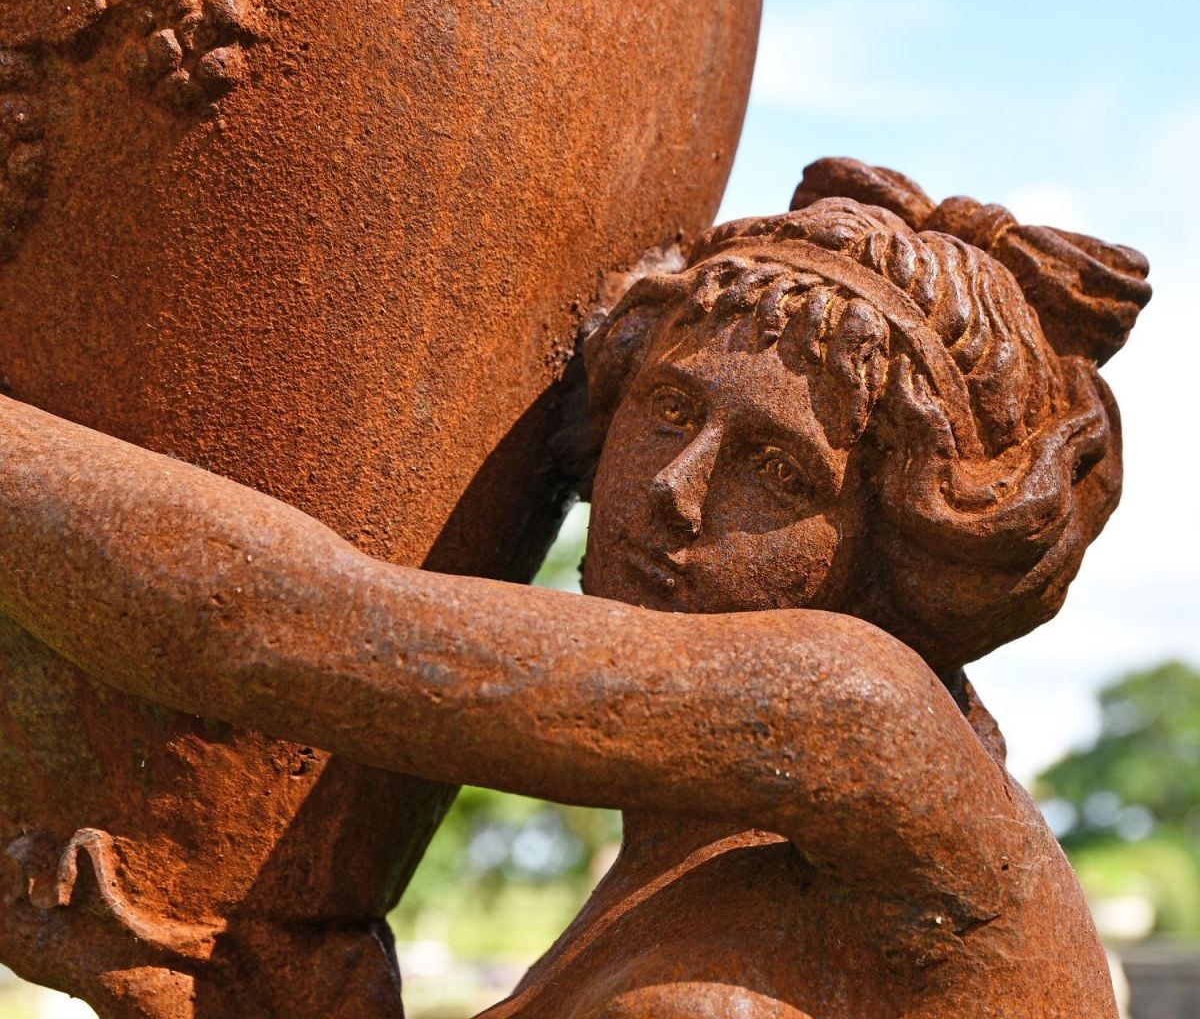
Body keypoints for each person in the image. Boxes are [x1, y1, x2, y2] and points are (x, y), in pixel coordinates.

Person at [0, 160, 1150, 1017]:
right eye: (669, 410)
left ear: (899, 551)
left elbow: (262, 625)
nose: (676, 492)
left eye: (778, 471)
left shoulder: (861, 722)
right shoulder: (663, 878)